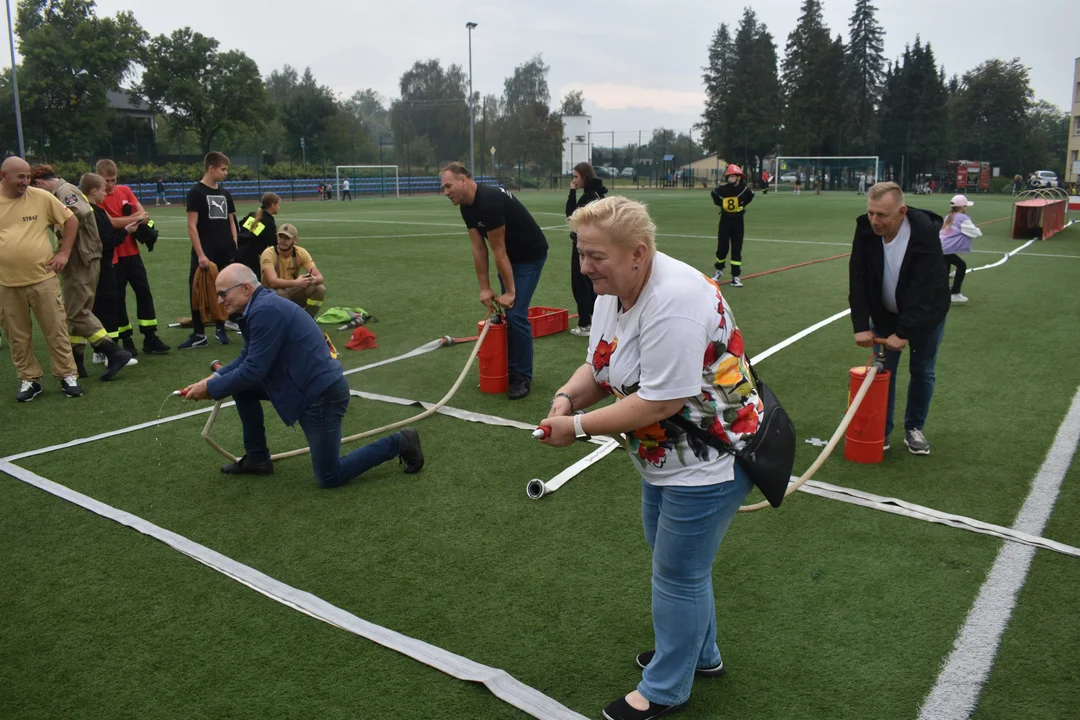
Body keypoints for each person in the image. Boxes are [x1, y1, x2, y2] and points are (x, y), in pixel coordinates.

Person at [537, 196, 757, 720]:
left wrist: (578, 427)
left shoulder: (675, 301)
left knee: (677, 573)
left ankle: (665, 688)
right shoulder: (614, 288)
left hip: (711, 461)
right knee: (681, 567)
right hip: (668, 458)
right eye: (580, 252)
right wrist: (566, 399)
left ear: (637, 253)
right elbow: (600, 364)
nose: (584, 266)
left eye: (595, 256)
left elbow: (661, 401)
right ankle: (700, 656)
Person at [179, 263, 424, 487]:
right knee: (240, 387)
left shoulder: (265, 311)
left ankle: (400, 442)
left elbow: (253, 370)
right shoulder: (259, 307)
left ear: (245, 288)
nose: (219, 300)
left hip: (321, 396)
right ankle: (257, 458)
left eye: (223, 293)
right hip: (303, 386)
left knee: (330, 476)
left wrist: (211, 390)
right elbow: (246, 358)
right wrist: (212, 381)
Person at [849, 182, 950, 455]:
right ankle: (881, 429)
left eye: (882, 215)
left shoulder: (925, 235)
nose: (874, 220)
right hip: (885, 313)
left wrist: (904, 332)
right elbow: (857, 278)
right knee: (882, 372)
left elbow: (925, 290)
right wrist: (860, 326)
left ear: (902, 211)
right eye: (871, 213)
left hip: (927, 314)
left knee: (922, 370)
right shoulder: (865, 231)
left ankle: (914, 428)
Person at [440, 162, 548, 400]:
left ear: (463, 180)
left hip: (530, 256)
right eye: (444, 187)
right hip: (510, 258)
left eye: (448, 186)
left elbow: (498, 250)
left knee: (516, 312)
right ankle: (509, 367)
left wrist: (510, 290)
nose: (446, 192)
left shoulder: (488, 201)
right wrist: (484, 288)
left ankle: (522, 376)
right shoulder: (467, 207)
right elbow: (479, 249)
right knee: (508, 312)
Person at [28, 165, 132, 380]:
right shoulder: (65, 191)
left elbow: (81, 213)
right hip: (84, 256)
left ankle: (113, 351)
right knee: (77, 309)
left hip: (80, 258)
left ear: (38, 183)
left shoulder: (64, 192)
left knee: (76, 312)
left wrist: (62, 233)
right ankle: (77, 361)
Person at [0, 156, 83, 401]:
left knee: (55, 329)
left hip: (42, 278)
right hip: (6, 283)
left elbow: (71, 220)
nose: (26, 181)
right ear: (4, 176)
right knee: (17, 335)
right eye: (21, 177)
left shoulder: (42, 197)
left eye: (28, 177)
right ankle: (29, 379)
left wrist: (64, 253)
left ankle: (67, 375)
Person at [95, 159, 170, 356]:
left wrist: (126, 221)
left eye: (113, 179)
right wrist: (132, 220)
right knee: (118, 299)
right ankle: (126, 339)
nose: (110, 184)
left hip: (132, 253)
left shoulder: (125, 190)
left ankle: (150, 337)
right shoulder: (97, 197)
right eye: (106, 180)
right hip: (113, 257)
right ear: (98, 179)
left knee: (144, 293)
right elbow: (109, 223)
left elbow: (144, 215)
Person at [82, 172, 140, 373]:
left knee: (98, 307)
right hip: (102, 266)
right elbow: (107, 242)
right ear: (93, 191)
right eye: (102, 189)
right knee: (108, 308)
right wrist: (127, 231)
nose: (106, 193)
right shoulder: (94, 213)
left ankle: (98, 352)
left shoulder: (92, 210)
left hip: (98, 265)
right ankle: (110, 354)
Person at [180, 152, 238, 349]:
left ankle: (221, 328)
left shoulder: (225, 194)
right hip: (205, 251)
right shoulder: (196, 192)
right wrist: (200, 254)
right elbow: (191, 225)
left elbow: (232, 221)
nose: (225, 173)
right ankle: (199, 334)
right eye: (222, 169)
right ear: (211, 168)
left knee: (224, 290)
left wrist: (234, 244)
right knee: (197, 290)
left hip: (224, 250)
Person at [565, 162, 607, 337]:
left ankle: (585, 324)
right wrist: (573, 191)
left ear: (585, 177)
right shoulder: (593, 194)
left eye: (576, 177)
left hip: (585, 246)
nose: (574, 180)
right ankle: (596, 321)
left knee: (581, 283)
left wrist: (572, 192)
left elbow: (571, 216)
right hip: (589, 245)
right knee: (589, 284)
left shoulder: (591, 196)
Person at [260, 223, 326, 319]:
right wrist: (296, 283)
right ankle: (286, 321)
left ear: (295, 240)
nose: (282, 240)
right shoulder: (268, 253)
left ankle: (307, 319)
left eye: (287, 238)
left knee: (320, 289)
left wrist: (312, 280)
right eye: (280, 236)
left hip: (292, 290)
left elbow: (320, 277)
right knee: (280, 294)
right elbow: (272, 282)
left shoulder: (301, 252)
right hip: (271, 293)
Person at [710, 164, 754, 287]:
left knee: (736, 247)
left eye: (733, 176)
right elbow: (713, 194)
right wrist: (721, 205)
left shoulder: (744, 189)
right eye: (729, 177)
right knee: (722, 246)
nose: (730, 179)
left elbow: (750, 196)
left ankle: (735, 276)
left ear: (738, 177)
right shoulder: (723, 189)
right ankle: (719, 270)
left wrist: (742, 205)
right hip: (725, 220)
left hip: (738, 222)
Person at [939, 194, 982, 304]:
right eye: (966, 206)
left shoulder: (948, 216)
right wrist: (976, 229)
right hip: (946, 249)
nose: (966, 208)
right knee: (961, 266)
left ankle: (943, 292)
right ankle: (955, 293)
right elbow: (976, 233)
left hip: (940, 247)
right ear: (962, 207)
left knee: (946, 269)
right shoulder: (963, 218)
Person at [235, 192, 280, 279]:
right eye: (279, 204)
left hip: (238, 252)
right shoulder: (269, 221)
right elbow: (273, 242)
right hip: (251, 257)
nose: (279, 207)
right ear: (273, 205)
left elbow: (241, 225)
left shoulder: (253, 214)